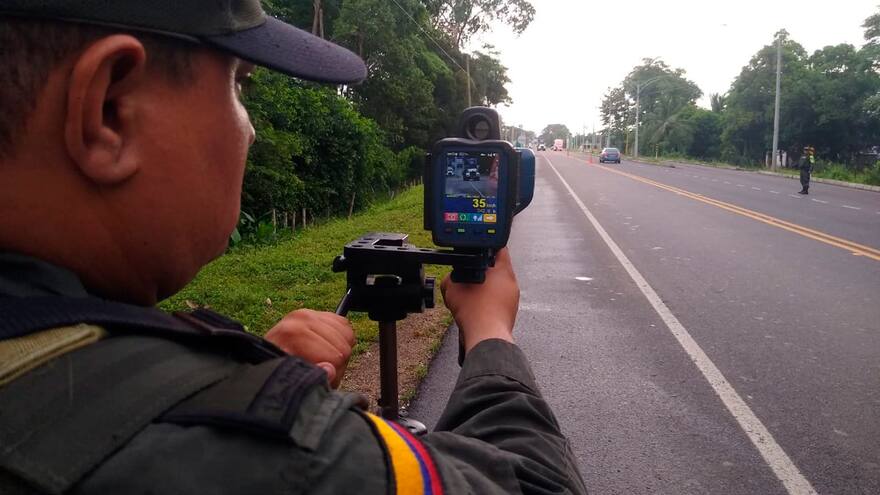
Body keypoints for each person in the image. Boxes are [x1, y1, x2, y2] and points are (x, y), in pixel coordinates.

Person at [0, 2, 587, 494]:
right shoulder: (280, 456)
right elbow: (536, 483)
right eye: (238, 85)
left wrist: (233, 377)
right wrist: (490, 334)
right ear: (108, 110)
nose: (250, 128)